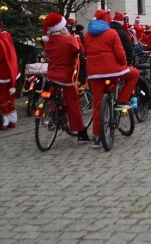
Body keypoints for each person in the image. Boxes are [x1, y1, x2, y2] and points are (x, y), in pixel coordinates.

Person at [84, 9, 139, 148]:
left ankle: (96, 137)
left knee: (97, 105)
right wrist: (123, 64)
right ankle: (121, 100)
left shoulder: (87, 35)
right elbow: (120, 53)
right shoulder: (111, 33)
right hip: (112, 70)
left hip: (94, 73)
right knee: (134, 74)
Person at [41, 12, 89, 143]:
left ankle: (53, 114)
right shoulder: (69, 39)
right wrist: (77, 40)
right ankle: (81, 132)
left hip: (52, 74)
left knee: (54, 93)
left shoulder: (49, 41)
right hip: (66, 76)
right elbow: (81, 50)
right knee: (73, 104)